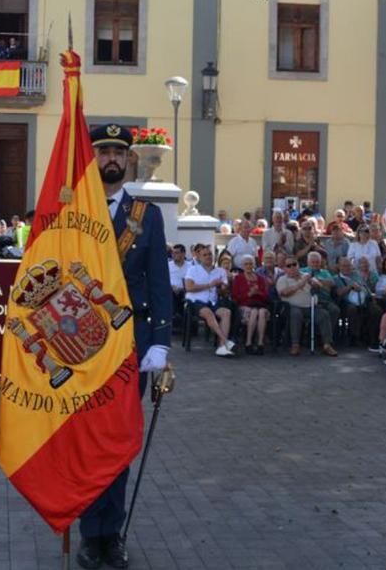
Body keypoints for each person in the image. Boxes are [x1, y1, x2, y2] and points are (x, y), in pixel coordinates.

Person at [77, 123, 173, 569]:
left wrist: (161, 343)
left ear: (129, 160)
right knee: (84, 442)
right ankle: (87, 532)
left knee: (116, 442)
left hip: (130, 348)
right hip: (81, 349)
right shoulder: (74, 211)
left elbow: (158, 281)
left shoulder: (145, 216)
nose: (111, 159)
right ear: (92, 158)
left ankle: (110, 535)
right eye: (103, 151)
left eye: (118, 152)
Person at [186, 247, 234, 358]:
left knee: (226, 312)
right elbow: (189, 287)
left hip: (213, 302)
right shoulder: (193, 269)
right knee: (208, 313)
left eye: (210, 254)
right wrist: (209, 285)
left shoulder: (220, 271)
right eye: (205, 255)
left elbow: (224, 291)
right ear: (199, 257)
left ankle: (222, 347)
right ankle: (226, 341)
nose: (208, 257)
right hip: (196, 301)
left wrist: (223, 287)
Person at [232, 255, 271, 354]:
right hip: (245, 305)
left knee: (261, 312)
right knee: (253, 312)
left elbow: (266, 297)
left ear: (253, 265)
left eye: (250, 264)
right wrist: (249, 294)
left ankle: (260, 344)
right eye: (246, 264)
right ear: (242, 266)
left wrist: (258, 293)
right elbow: (235, 297)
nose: (248, 266)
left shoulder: (260, 279)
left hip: (260, 305)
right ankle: (248, 343)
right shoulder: (238, 278)